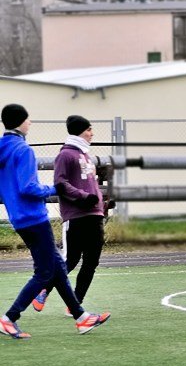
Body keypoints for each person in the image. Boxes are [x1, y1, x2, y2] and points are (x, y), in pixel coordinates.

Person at [0, 104, 110, 339]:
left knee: (58, 266)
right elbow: (28, 187)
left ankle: (81, 317)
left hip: (18, 217)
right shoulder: (23, 149)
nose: (30, 123)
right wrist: (54, 188)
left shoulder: (3, 147)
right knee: (44, 272)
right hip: (34, 217)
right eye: (28, 119)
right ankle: (10, 317)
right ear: (20, 122)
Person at [33, 116, 109, 314]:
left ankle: (74, 304)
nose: (92, 134)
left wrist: (102, 203)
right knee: (71, 260)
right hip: (76, 216)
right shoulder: (65, 155)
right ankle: (43, 289)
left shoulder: (86, 155)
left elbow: (91, 186)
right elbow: (61, 183)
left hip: (95, 215)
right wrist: (83, 197)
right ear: (79, 131)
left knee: (92, 262)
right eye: (89, 130)